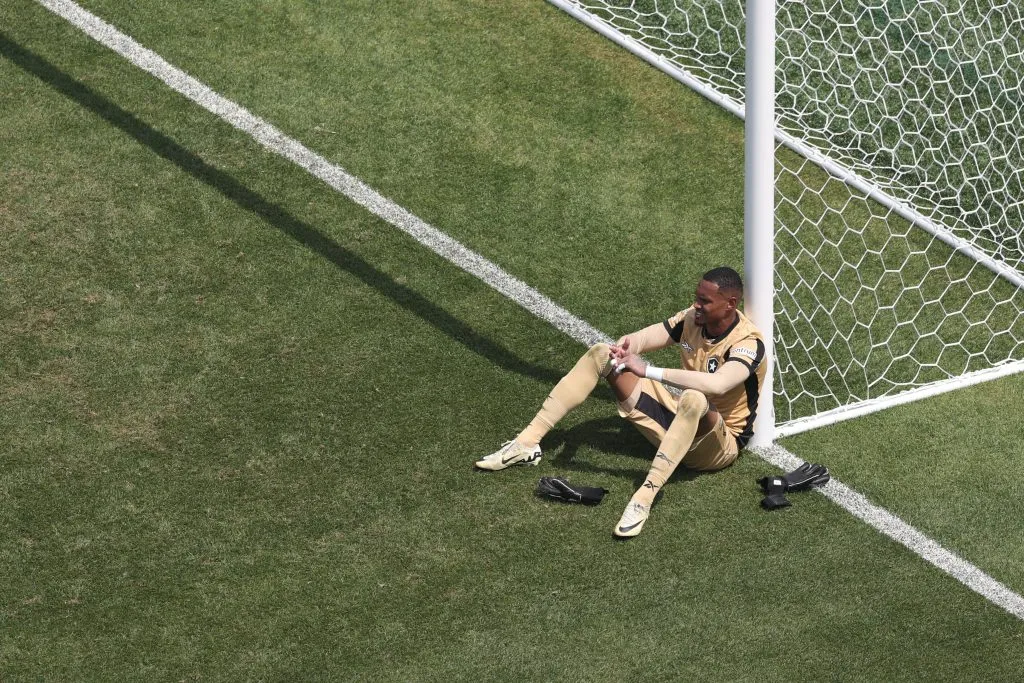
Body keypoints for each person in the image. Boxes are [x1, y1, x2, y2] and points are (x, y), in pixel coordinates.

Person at [474, 266, 767, 538]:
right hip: (678, 416)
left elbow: (718, 383)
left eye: (705, 301)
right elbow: (649, 336)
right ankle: (527, 443)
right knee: (602, 353)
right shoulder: (693, 318)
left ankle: (644, 497)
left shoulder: (748, 343)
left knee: (694, 398)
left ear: (730, 304)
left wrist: (648, 370)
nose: (697, 305)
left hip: (718, 443)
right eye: (696, 298)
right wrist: (626, 347)